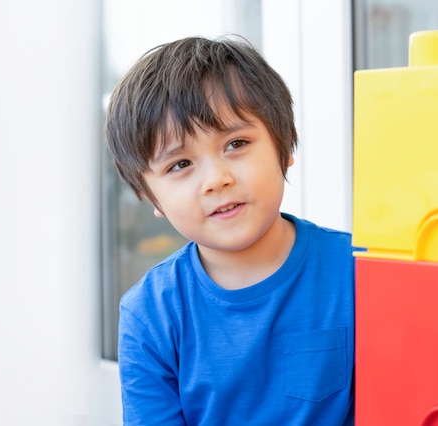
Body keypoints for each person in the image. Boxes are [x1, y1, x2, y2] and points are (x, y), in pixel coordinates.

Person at [105, 35, 357, 426]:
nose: (216, 179)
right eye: (180, 164)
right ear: (149, 196)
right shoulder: (148, 315)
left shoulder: (359, 273)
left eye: (236, 143)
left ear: (284, 146)